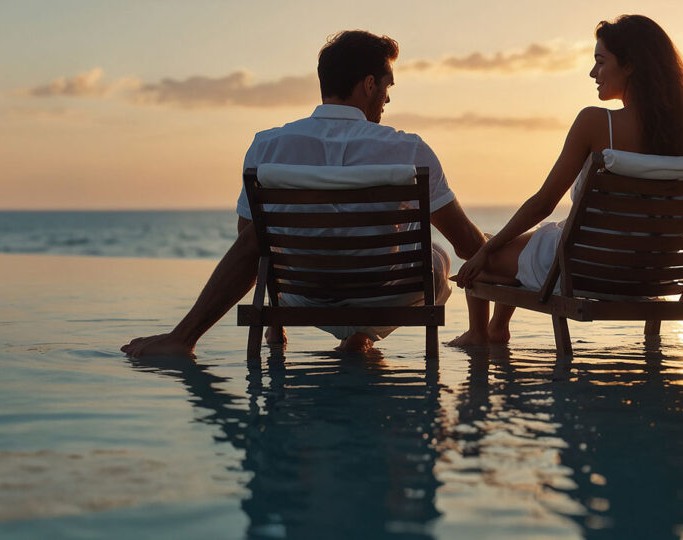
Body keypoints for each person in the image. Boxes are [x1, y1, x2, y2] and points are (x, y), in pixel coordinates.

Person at [122, 30, 488, 357]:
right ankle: (362, 334)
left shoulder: (267, 146)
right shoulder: (410, 150)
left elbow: (249, 241)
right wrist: (506, 244)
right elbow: (467, 245)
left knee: (261, 236)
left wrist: (270, 316)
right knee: (437, 254)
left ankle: (184, 338)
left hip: (301, 294)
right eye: (388, 88)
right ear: (370, 84)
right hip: (383, 297)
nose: (388, 101)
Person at [449, 15, 683, 346]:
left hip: (586, 270)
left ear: (629, 65)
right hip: (657, 273)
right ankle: (496, 328)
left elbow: (543, 203)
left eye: (600, 62)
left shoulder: (595, 122)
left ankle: (480, 333)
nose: (593, 73)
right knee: (502, 254)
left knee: (481, 251)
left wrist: (486, 249)